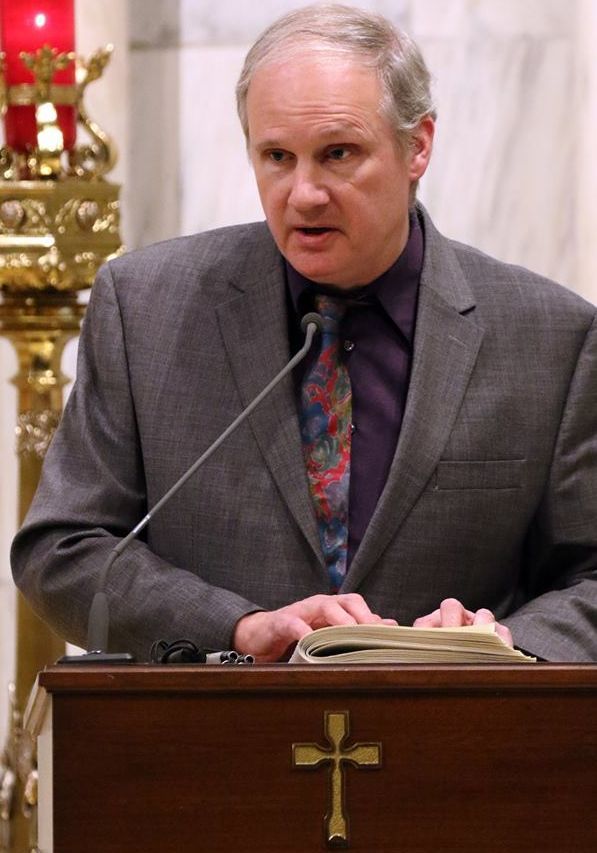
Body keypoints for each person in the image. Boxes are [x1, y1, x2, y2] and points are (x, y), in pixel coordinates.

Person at [11, 4, 597, 662]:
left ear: (418, 145)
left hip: (453, 748)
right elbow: (64, 549)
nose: (304, 192)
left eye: (338, 153)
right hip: (212, 749)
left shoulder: (549, 338)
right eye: (277, 157)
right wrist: (235, 625)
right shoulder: (145, 309)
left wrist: (501, 642)